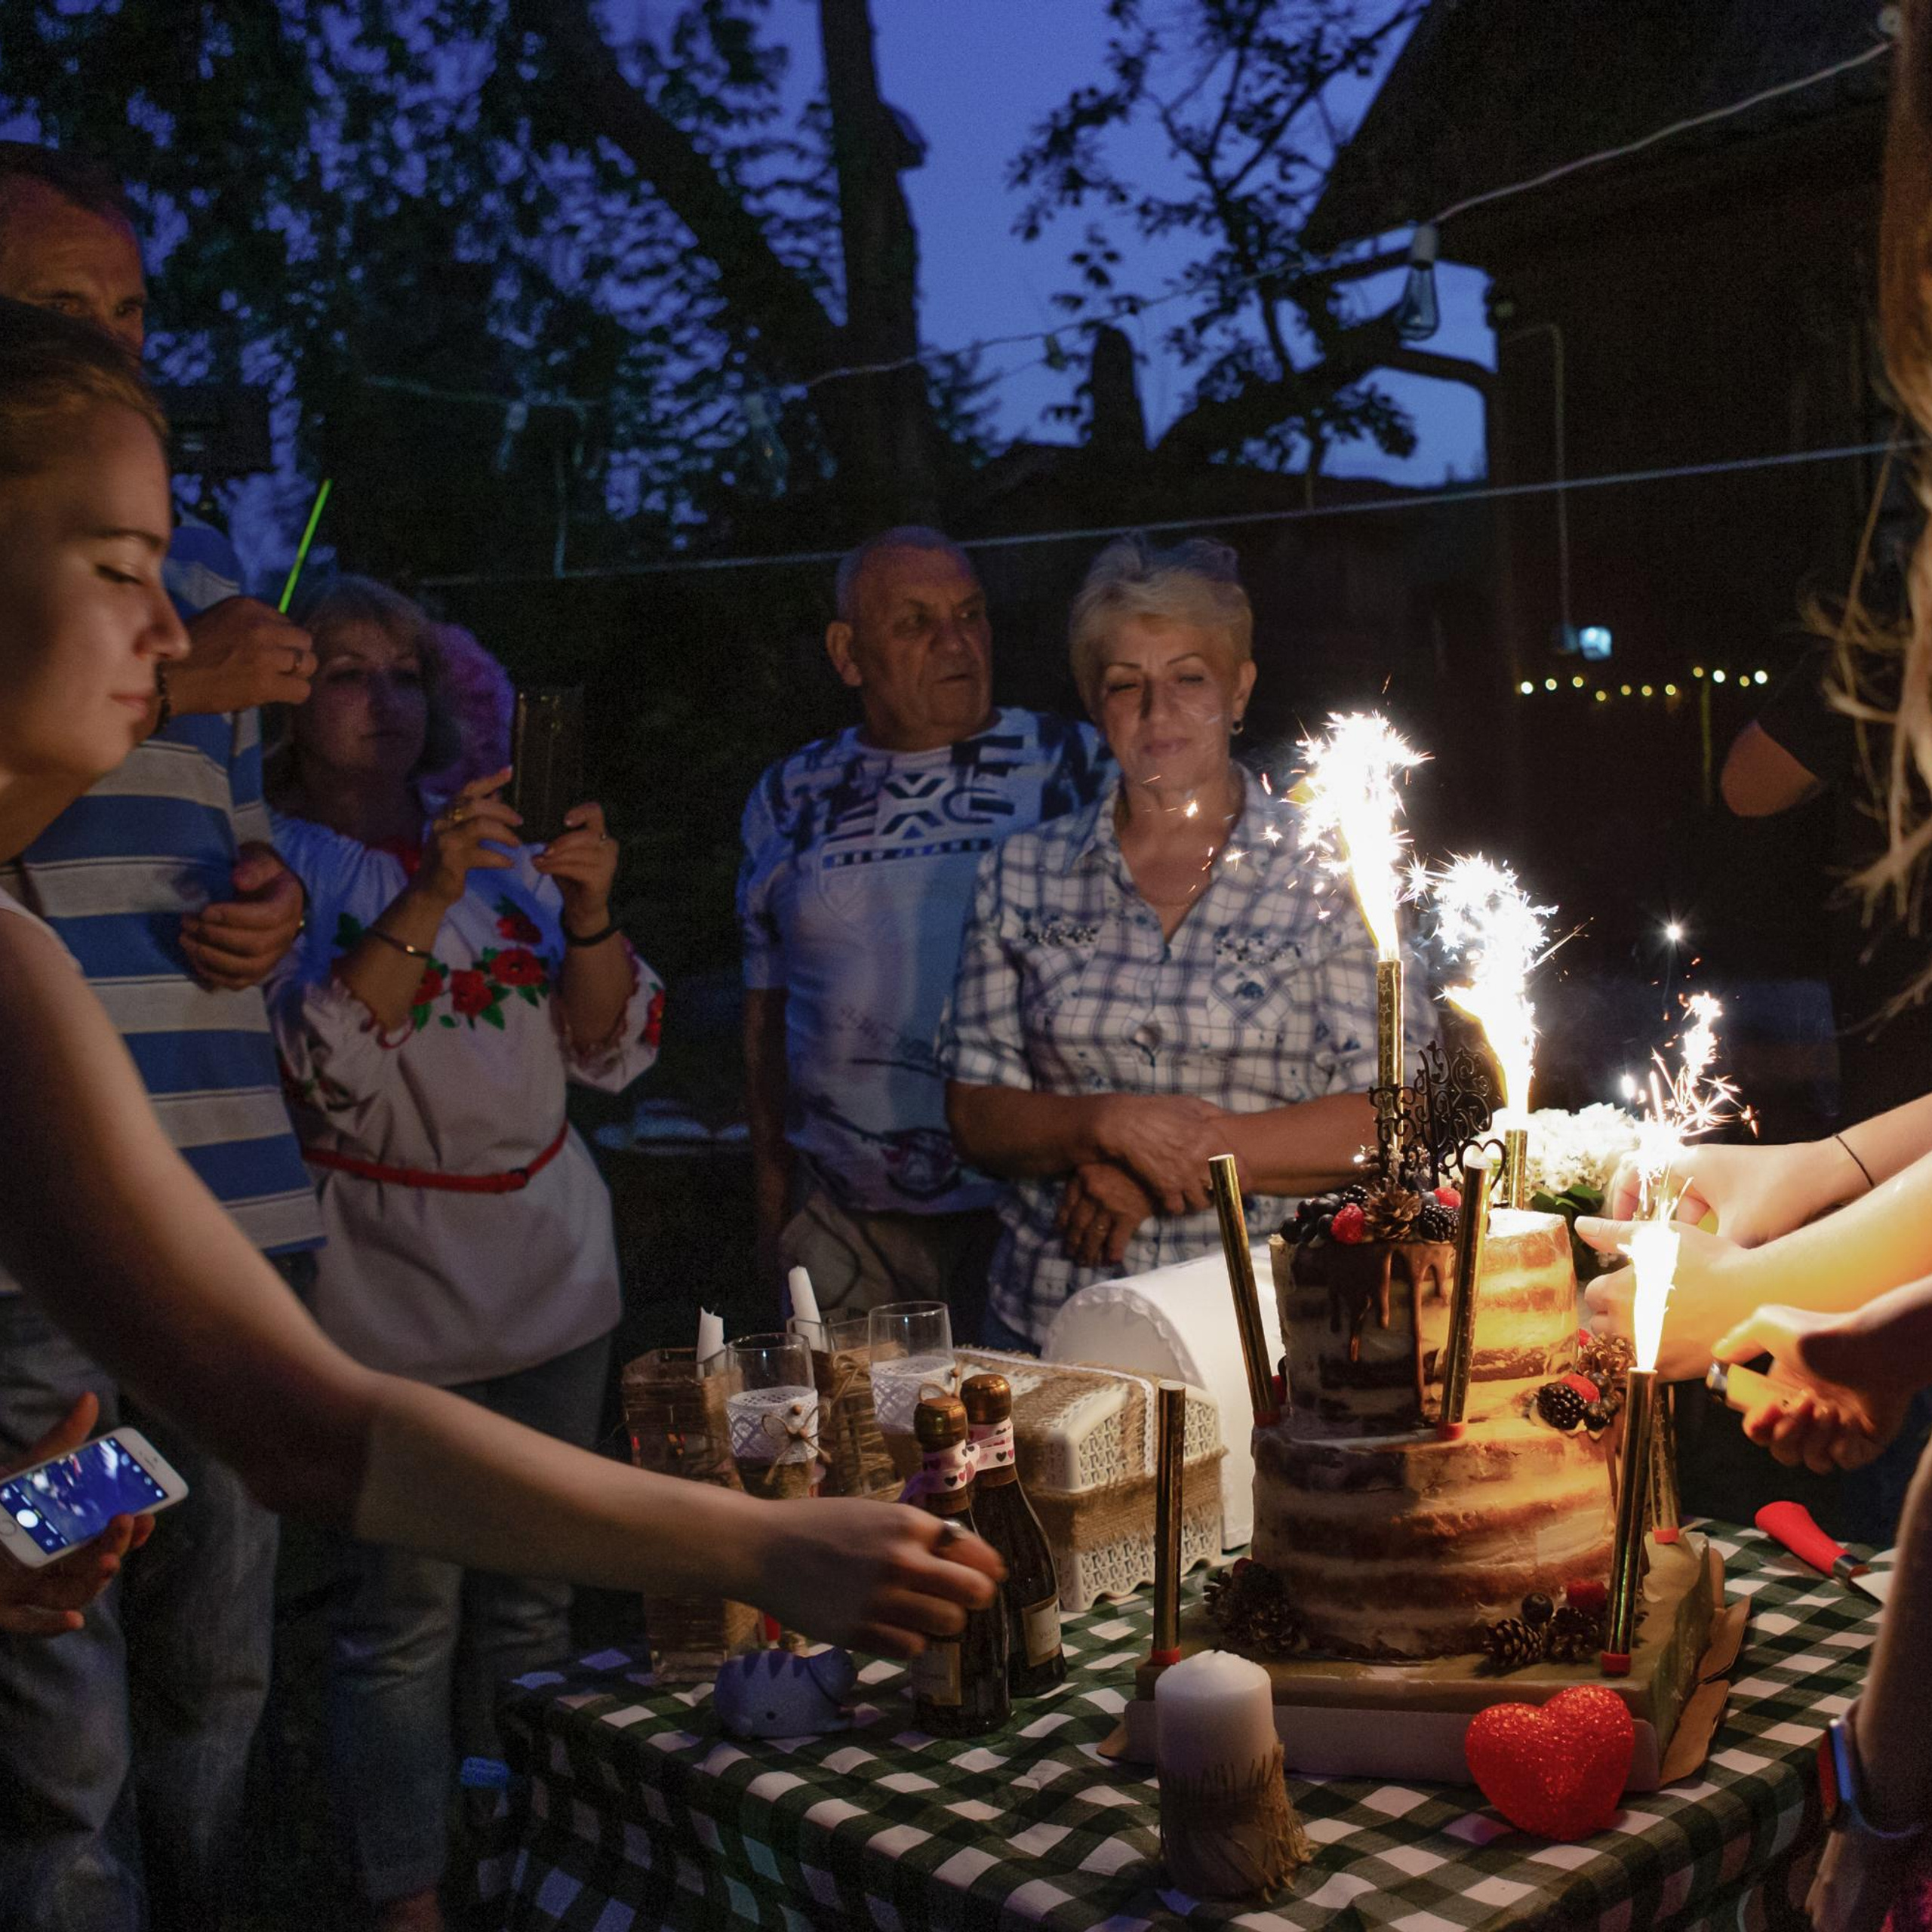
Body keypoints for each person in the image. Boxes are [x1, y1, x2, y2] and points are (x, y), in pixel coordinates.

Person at [0, 295, 997, 1927]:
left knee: (228, 1667)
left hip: (531, 1281)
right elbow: (310, 1419)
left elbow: (255, 1413)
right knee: (278, 1682)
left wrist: (11, 1528)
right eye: (118, 571)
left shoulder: (25, 969)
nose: (178, 639)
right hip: (391, 1279)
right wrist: (751, 1547)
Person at [0, 142, 321, 1932]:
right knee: (67, 1724)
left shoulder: (198, 560)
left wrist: (267, 900)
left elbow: (226, 839)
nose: (117, 345)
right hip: (47, 1279)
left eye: (132, 310)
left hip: (221, 1220)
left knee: (216, 1673)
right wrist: (174, 672)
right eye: (65, 311)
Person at [264, 579, 657, 1929]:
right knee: (403, 1621)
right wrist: (427, 892)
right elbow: (322, 1069)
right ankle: (403, 1893)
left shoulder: (492, 851)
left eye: (403, 674)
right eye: (344, 674)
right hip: (394, 1286)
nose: (382, 700)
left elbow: (606, 1048)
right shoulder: (273, 867)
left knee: (533, 1607)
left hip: (552, 1267)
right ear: (287, 708)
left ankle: (523, 1857)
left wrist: (592, 915)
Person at [941, 537, 1395, 1351]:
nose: (1158, 713)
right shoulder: (1019, 873)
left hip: (1276, 1328)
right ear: (1095, 702)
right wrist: (1107, 1123)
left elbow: (1393, 1109)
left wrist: (1165, 1166)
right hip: (1058, 1327)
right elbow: (978, 1114)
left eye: (1188, 677)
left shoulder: (1334, 873)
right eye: (1126, 686)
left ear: (1238, 690)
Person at [737, 526, 1107, 1327]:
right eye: (915, 623)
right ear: (847, 653)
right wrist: (774, 1208)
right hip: (847, 1218)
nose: (956, 642)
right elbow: (765, 1015)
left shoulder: (1075, 767)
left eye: (970, 615)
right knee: (859, 1444)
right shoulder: (792, 795)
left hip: (1039, 1209)